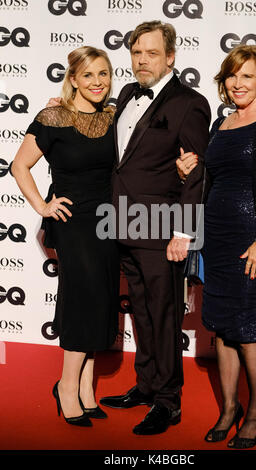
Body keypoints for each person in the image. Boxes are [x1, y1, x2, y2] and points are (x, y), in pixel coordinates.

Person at [177, 45, 256, 449]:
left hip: (252, 238)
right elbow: (211, 179)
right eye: (232, 76)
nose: (237, 83)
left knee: (247, 330)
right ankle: (228, 409)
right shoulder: (221, 124)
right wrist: (187, 171)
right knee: (222, 331)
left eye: (247, 75)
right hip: (215, 235)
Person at [98, 20, 211, 435]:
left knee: (164, 316)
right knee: (142, 313)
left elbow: (196, 172)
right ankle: (145, 386)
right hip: (121, 222)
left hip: (162, 230)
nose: (141, 60)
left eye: (150, 52)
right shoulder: (127, 93)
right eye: (136, 52)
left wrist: (183, 232)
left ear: (170, 56)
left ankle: (168, 402)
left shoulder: (190, 103)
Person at [12, 46, 120, 427]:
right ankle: (66, 386)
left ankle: (87, 389)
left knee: (101, 300)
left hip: (108, 221)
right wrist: (42, 206)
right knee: (84, 301)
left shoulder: (113, 116)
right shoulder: (52, 116)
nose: (97, 82)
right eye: (88, 74)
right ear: (73, 78)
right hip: (72, 222)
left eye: (103, 74)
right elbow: (18, 165)